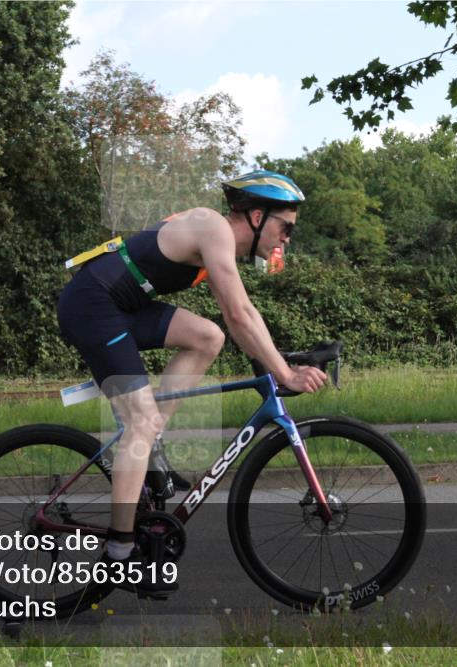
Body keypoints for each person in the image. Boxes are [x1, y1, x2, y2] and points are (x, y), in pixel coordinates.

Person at [56, 170, 328, 596]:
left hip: (120, 305)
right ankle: (119, 554)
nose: (287, 238)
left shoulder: (221, 242)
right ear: (257, 215)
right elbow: (239, 313)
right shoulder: (213, 227)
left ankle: (150, 447)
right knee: (139, 424)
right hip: (93, 306)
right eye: (285, 227)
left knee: (207, 336)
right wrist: (285, 372)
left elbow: (241, 317)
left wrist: (278, 359)